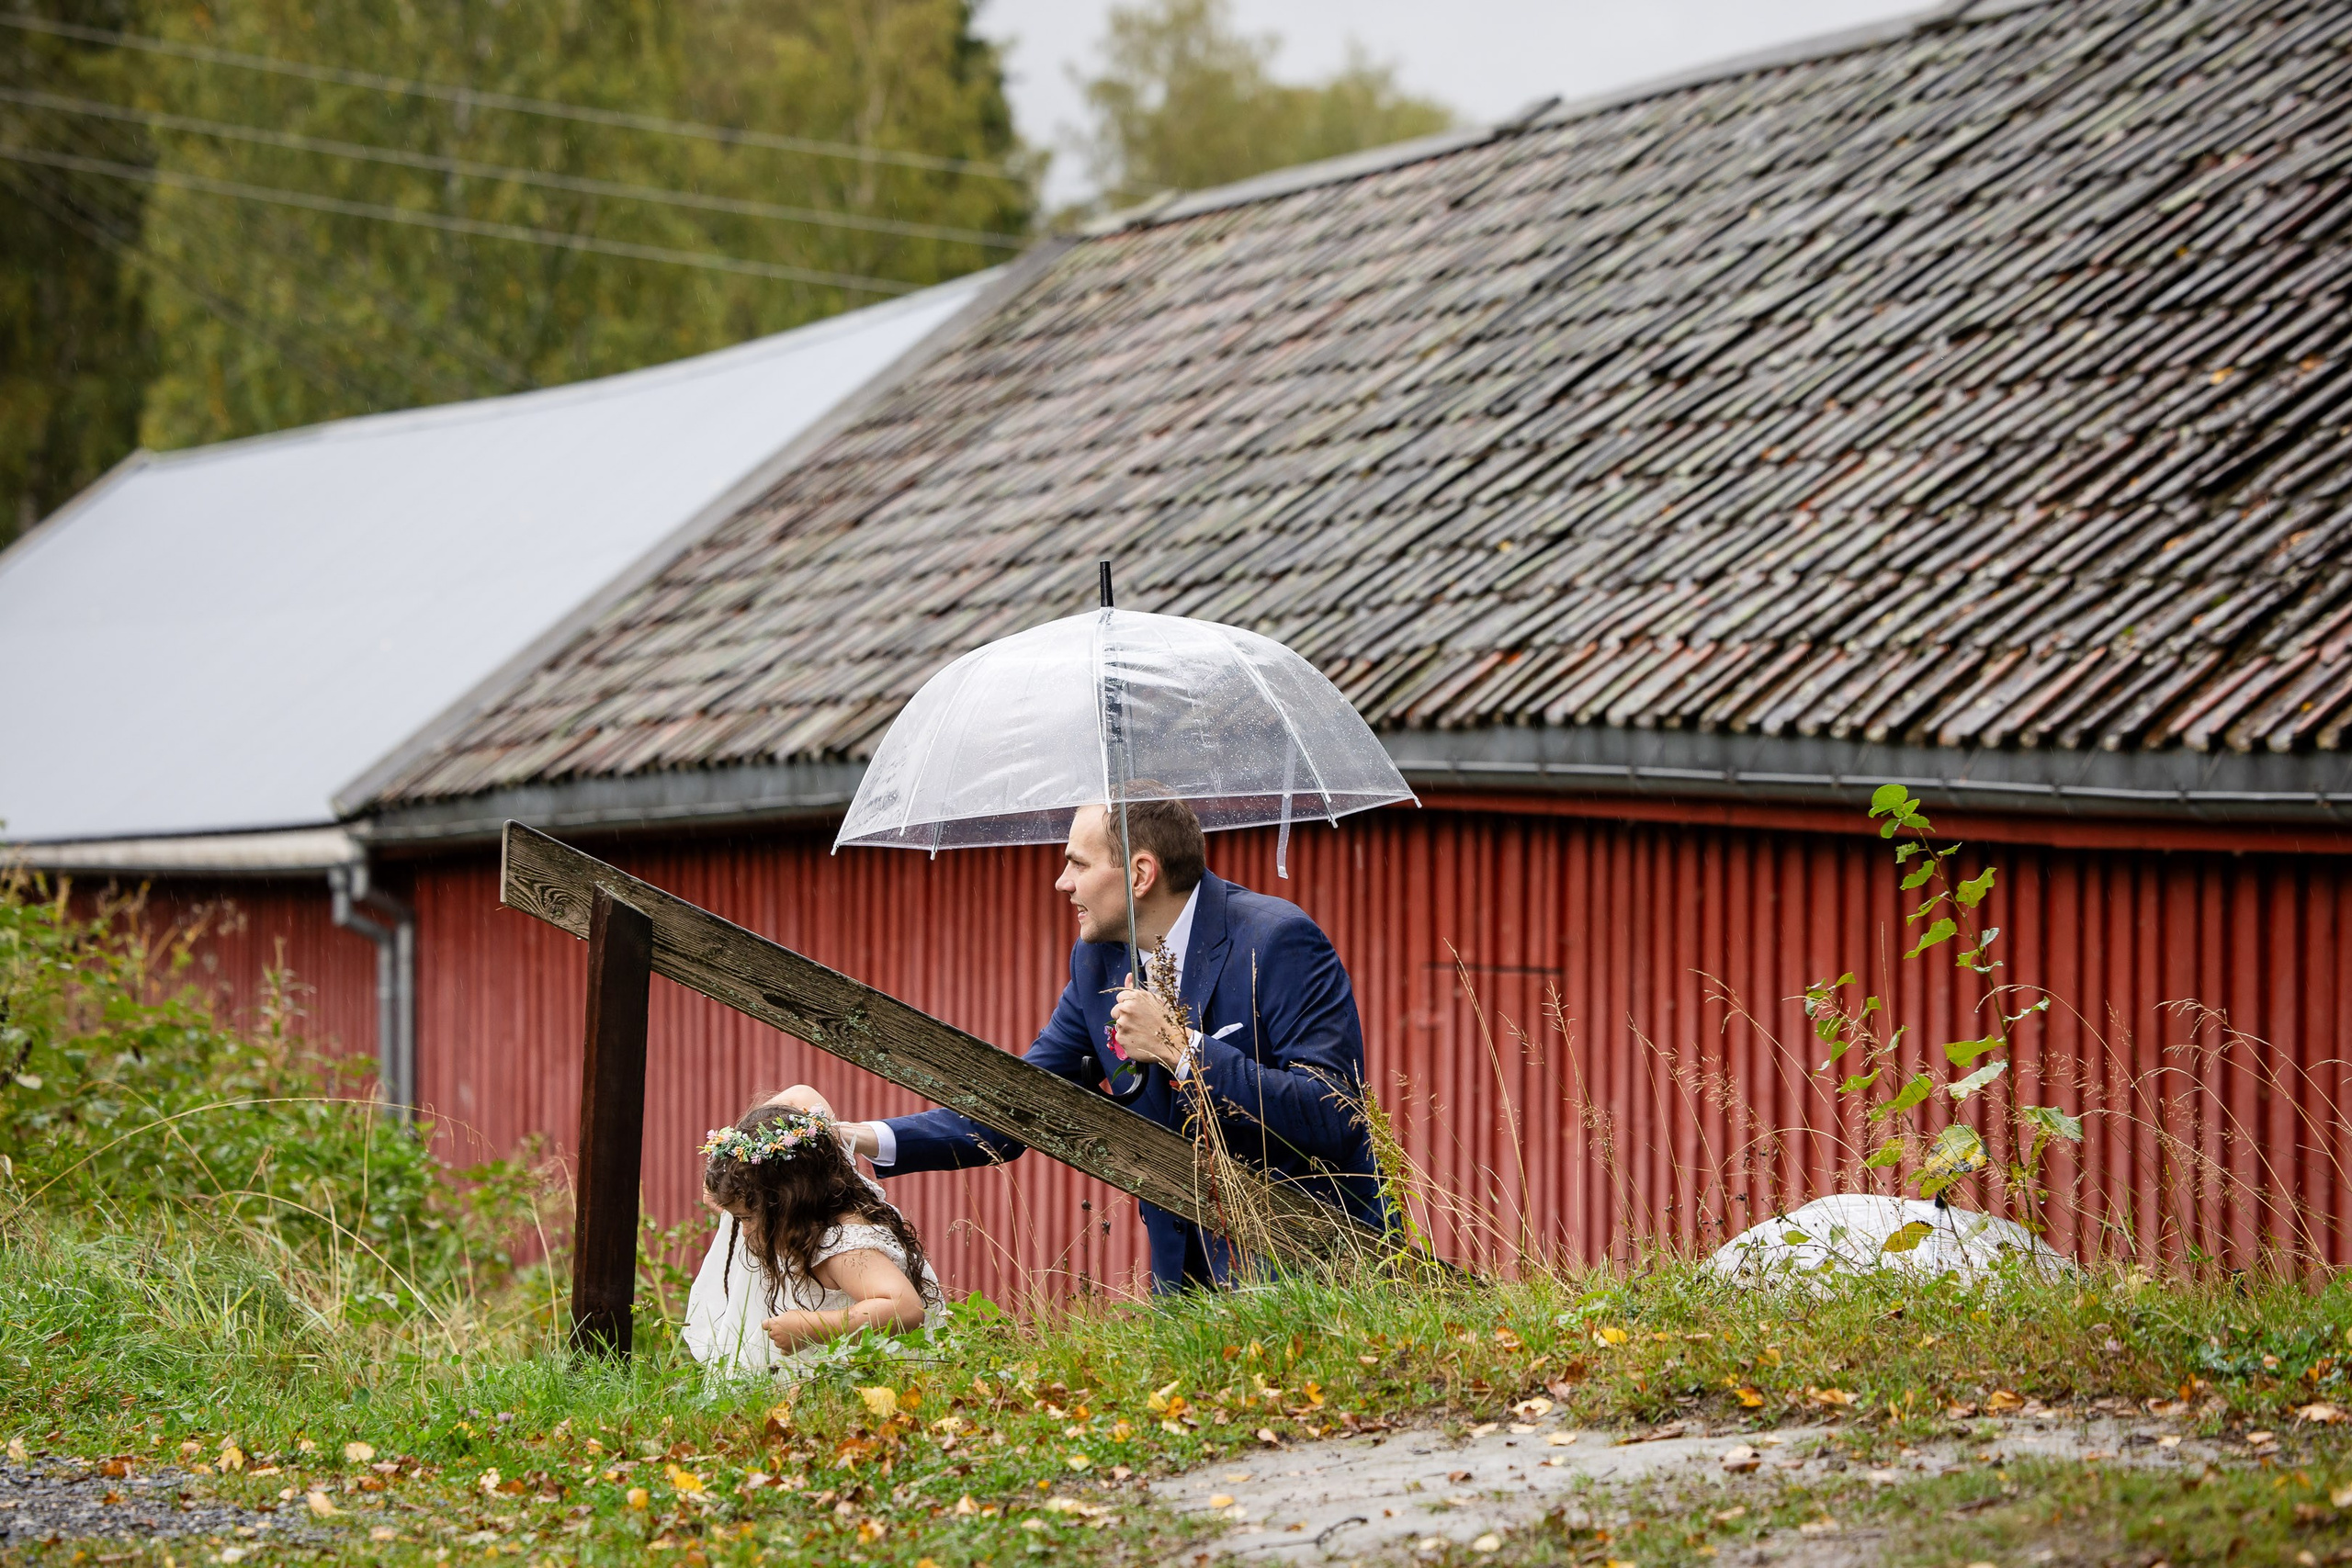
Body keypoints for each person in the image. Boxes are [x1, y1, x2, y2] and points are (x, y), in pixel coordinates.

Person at [838, 795, 1385, 1292]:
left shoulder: (1276, 939)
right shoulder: (1097, 961)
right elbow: (1022, 1103)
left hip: (1318, 1273)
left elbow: (1333, 1116)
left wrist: (1181, 1048)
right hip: (1181, 1288)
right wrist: (860, 1137)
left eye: (1077, 863)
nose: (1062, 882)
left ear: (1141, 872)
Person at [684, 1086, 945, 1377]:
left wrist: (813, 1327)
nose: (744, 1232)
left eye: (746, 1218)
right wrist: (736, 1157)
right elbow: (801, 1094)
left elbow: (905, 1308)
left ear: (788, 1201)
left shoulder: (844, 1246)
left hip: (874, 1381)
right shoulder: (811, 1165)